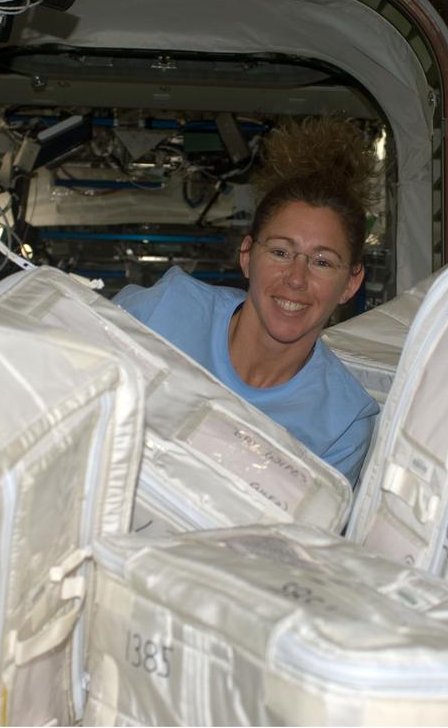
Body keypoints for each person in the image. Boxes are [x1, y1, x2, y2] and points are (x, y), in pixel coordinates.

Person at [114, 116, 380, 486]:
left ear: (350, 283)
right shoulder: (163, 313)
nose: (296, 279)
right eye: (281, 252)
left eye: (322, 262)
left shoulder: (343, 424)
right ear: (246, 256)